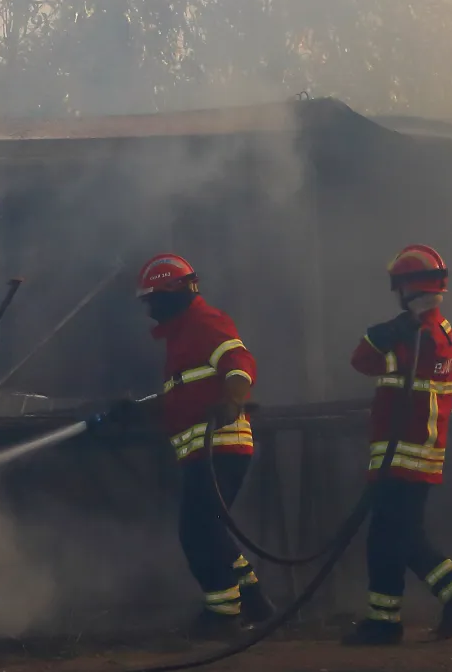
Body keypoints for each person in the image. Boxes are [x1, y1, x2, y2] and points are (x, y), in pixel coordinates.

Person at [342, 244, 452, 646]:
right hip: (417, 452)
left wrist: (382, 333)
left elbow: (362, 360)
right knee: (401, 536)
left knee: (389, 538)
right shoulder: (439, 329)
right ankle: (451, 596)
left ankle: (392, 620)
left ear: (406, 288)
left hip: (402, 453)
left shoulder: (414, 338)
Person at [135, 252, 274, 637]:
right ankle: (253, 601)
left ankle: (224, 614)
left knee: (197, 532)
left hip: (220, 448)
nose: (149, 307)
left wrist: (233, 399)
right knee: (210, 528)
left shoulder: (204, 321)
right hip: (203, 451)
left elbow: (240, 362)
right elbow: (185, 394)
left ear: (173, 292)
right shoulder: (181, 336)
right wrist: (135, 412)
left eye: (153, 298)